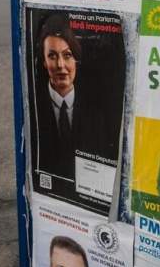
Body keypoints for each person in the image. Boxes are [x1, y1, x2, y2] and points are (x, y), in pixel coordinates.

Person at [31, 13, 117, 187]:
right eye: (52, 56)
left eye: (67, 55)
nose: (61, 65)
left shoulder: (97, 111)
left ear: (76, 60)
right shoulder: (32, 107)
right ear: (44, 62)